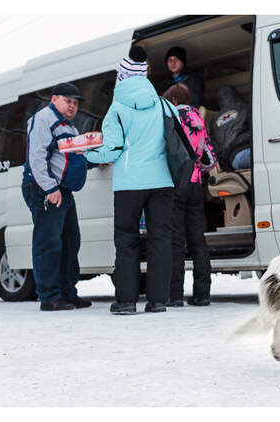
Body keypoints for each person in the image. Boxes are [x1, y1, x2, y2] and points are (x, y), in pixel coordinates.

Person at [86, 45, 176, 315]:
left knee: (127, 240)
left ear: (122, 77)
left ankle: (126, 301)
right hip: (161, 182)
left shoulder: (117, 108)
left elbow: (112, 149)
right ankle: (158, 300)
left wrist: (87, 154)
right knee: (161, 239)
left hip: (128, 185)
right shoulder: (163, 104)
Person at [22, 82, 92, 311]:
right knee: (48, 243)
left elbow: (71, 159)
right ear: (54, 99)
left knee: (71, 242)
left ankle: (68, 294)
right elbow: (36, 157)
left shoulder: (69, 128)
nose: (73, 106)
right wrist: (50, 189)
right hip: (45, 189)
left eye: (75, 102)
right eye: (68, 101)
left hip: (63, 191)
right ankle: (49, 297)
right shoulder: (43, 120)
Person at [162, 83, 217, 307]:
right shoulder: (199, 118)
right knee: (198, 241)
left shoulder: (172, 116)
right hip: (195, 184)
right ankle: (202, 294)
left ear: (173, 101)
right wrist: (198, 171)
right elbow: (210, 158)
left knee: (176, 241)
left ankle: (175, 295)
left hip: (176, 183)